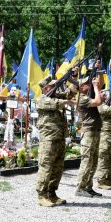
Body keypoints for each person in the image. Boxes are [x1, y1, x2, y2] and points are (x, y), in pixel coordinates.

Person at [34, 75, 75, 207]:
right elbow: (56, 104)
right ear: (46, 88)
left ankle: (51, 193)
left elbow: (71, 92)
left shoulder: (56, 96)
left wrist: (73, 76)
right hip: (48, 138)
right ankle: (41, 195)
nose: (55, 87)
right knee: (46, 166)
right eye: (52, 85)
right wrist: (67, 102)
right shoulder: (41, 99)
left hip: (60, 136)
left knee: (58, 167)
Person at [74, 74, 103, 198]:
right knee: (86, 161)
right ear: (81, 88)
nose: (90, 84)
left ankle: (88, 186)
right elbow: (98, 101)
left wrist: (99, 73)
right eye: (87, 83)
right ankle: (80, 187)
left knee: (94, 161)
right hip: (88, 132)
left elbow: (100, 84)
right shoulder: (81, 98)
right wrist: (96, 87)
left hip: (95, 131)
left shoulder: (88, 95)